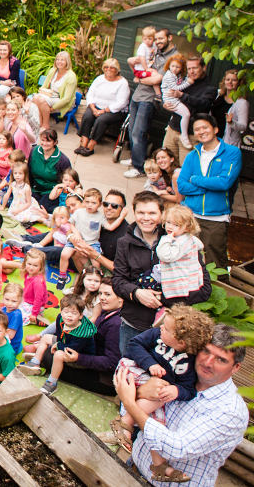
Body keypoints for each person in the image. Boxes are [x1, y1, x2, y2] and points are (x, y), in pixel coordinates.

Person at [115, 324, 247, 487]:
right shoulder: (179, 373)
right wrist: (141, 392)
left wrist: (130, 403)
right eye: (206, 351)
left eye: (221, 359)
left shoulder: (230, 410)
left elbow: (176, 448)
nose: (208, 362)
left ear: (236, 367)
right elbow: (130, 401)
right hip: (133, 468)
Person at [109, 305, 214, 477]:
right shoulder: (156, 335)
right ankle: (124, 422)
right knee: (160, 390)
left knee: (157, 425)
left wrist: (176, 390)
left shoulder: (190, 364)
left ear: (181, 342)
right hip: (131, 370)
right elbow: (134, 344)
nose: (161, 328)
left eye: (166, 328)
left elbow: (188, 389)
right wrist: (151, 364)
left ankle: (159, 465)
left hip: (154, 394)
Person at [112, 192, 211, 353]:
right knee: (130, 369)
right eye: (141, 213)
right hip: (134, 323)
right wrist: (136, 293)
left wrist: (163, 297)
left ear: (161, 214)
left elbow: (204, 289)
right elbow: (118, 280)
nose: (146, 218)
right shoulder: (125, 243)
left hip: (171, 328)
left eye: (152, 213)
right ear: (134, 213)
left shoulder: (182, 242)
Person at [176, 113, 242, 271]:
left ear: (216, 129)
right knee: (186, 261)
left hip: (216, 218)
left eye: (205, 127)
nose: (201, 131)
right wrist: (209, 185)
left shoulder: (231, 153)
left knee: (215, 262)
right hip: (190, 215)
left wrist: (196, 179)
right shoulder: (193, 155)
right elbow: (182, 186)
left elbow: (224, 183)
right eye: (196, 129)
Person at [124, 28, 177, 178]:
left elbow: (156, 80)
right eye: (156, 39)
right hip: (138, 95)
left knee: (138, 132)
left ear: (170, 38)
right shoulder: (155, 52)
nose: (158, 41)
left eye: (161, 38)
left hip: (149, 99)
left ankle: (139, 167)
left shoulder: (172, 58)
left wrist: (139, 79)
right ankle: (136, 158)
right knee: (131, 129)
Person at [161, 56, 216, 165]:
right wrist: (165, 105)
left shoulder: (210, 88)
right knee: (166, 166)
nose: (191, 71)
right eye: (189, 68)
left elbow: (203, 104)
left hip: (191, 135)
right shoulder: (182, 81)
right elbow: (167, 94)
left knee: (186, 169)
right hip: (172, 130)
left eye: (195, 68)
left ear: (203, 68)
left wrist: (182, 95)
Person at [74, 58, 130, 156]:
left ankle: (91, 146)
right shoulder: (99, 79)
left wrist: (103, 111)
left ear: (117, 70)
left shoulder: (122, 83)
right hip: (96, 107)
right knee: (87, 116)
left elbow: (122, 102)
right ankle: (83, 143)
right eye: (106, 67)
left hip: (114, 111)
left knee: (101, 120)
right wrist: (93, 107)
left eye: (112, 68)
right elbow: (90, 94)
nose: (108, 69)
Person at [30, 51, 78, 128]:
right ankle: (41, 123)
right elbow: (44, 86)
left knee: (42, 101)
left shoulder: (71, 76)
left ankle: (45, 125)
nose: (59, 62)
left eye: (62, 60)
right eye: (57, 59)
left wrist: (52, 108)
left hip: (63, 100)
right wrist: (43, 92)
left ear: (67, 62)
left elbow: (67, 99)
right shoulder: (53, 71)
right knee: (35, 98)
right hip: (51, 96)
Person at [27, 129, 72, 212]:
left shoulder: (63, 160)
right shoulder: (34, 151)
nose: (44, 143)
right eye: (43, 140)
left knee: (43, 208)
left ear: (55, 142)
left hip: (51, 191)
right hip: (35, 188)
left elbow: (69, 180)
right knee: (28, 206)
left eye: (48, 141)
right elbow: (28, 171)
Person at [213, 68, 249, 148]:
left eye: (234, 80)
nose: (230, 82)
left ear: (239, 83)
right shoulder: (218, 95)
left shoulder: (242, 103)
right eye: (228, 79)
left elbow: (243, 126)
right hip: (211, 139)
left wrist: (231, 123)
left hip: (227, 143)